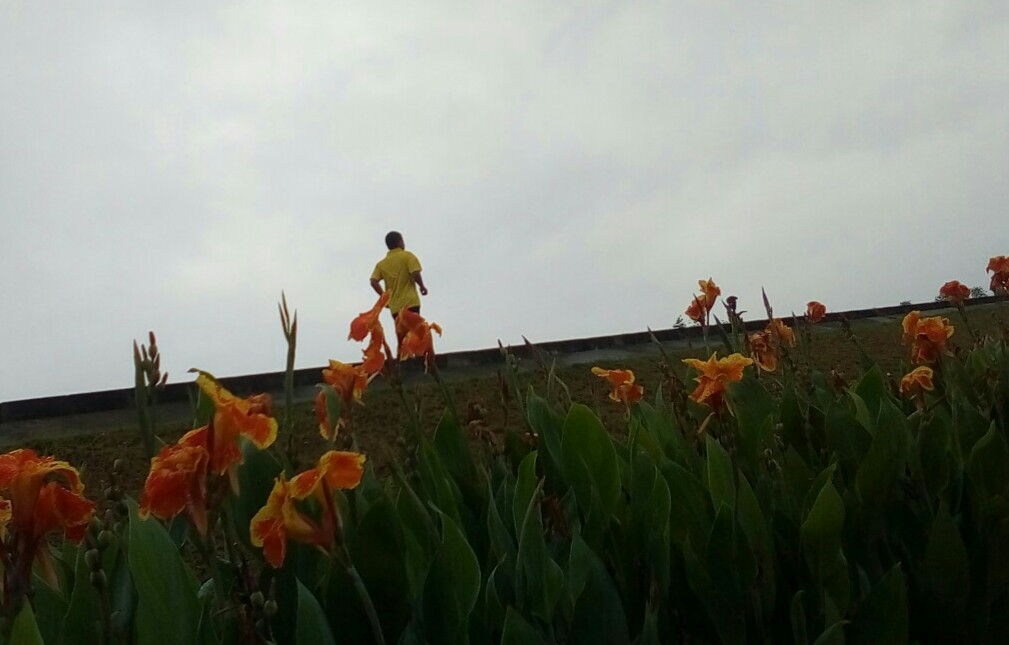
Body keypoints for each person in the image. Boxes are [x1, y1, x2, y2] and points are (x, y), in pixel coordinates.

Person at [370, 231, 428, 341]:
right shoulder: (407, 256)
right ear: (400, 242)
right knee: (416, 335)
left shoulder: (381, 264)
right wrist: (422, 286)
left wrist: (384, 298)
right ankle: (418, 352)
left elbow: (373, 281)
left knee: (402, 338)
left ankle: (403, 352)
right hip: (411, 303)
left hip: (395, 307)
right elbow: (415, 272)